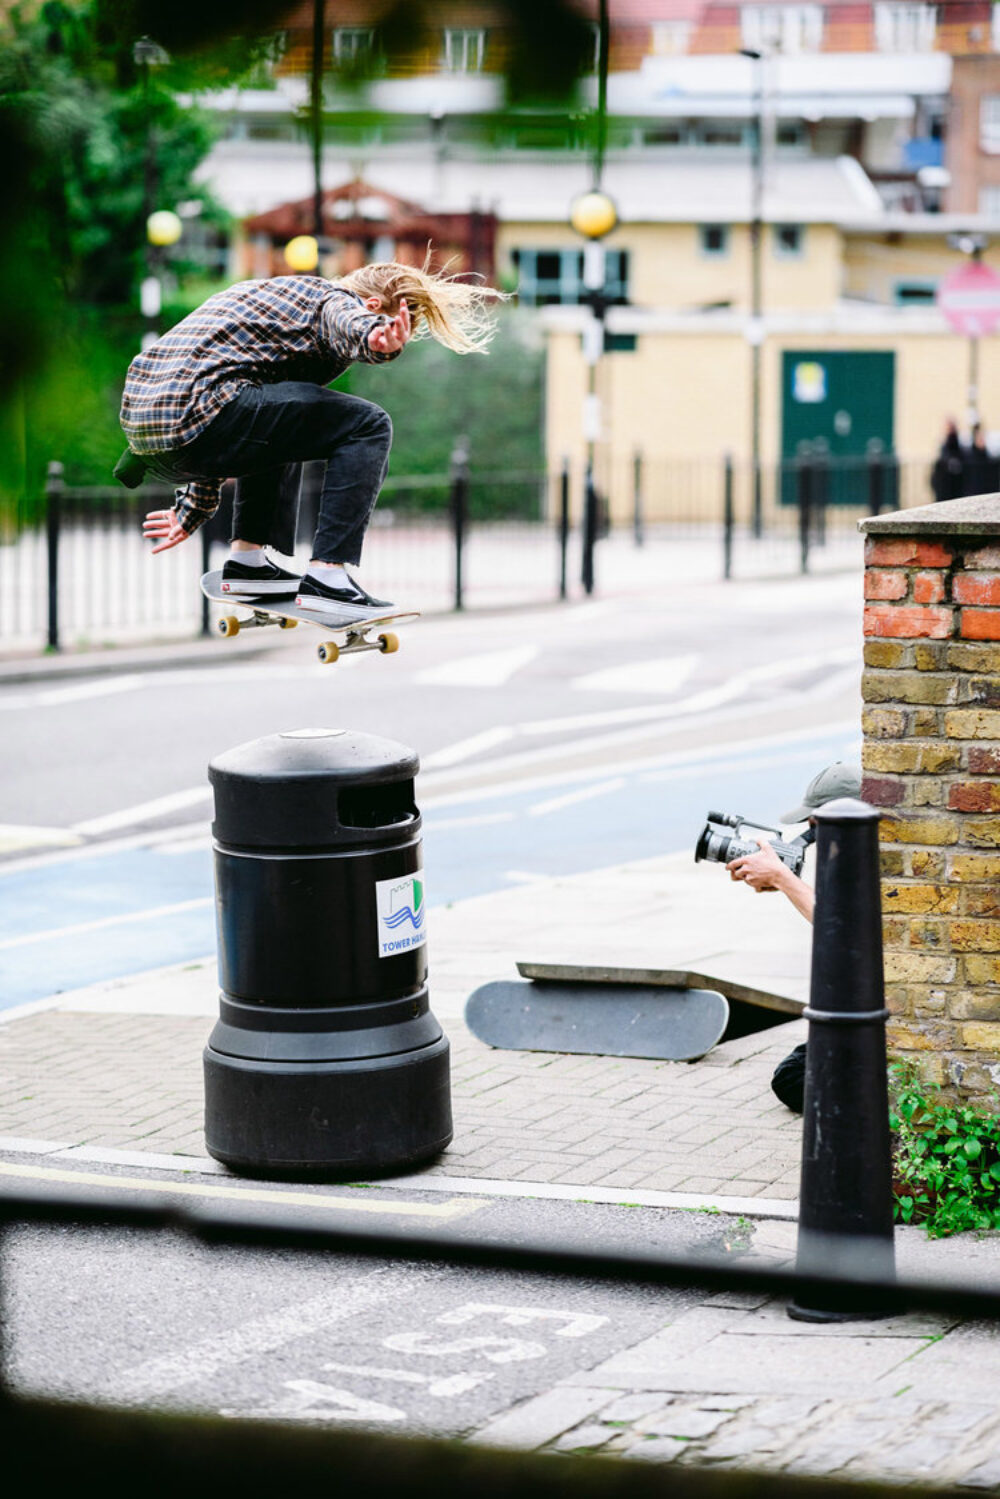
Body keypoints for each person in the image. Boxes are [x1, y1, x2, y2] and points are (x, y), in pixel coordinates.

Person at [117, 258, 502, 621]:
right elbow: (347, 321)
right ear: (372, 304)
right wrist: (375, 337)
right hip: (205, 412)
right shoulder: (330, 299)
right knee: (369, 424)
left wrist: (192, 509)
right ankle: (328, 579)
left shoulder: (271, 297)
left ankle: (247, 565)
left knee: (285, 417)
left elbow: (214, 403)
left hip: (152, 430)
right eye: (396, 327)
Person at [725, 761, 863, 1112]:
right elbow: (837, 917)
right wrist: (785, 882)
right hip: (855, 1006)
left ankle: (871, 1098)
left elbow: (846, 929)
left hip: (873, 1013)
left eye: (816, 823)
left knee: (793, 1080)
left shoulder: (878, 858)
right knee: (794, 1070)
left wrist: (785, 879)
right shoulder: (858, 850)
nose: (812, 833)